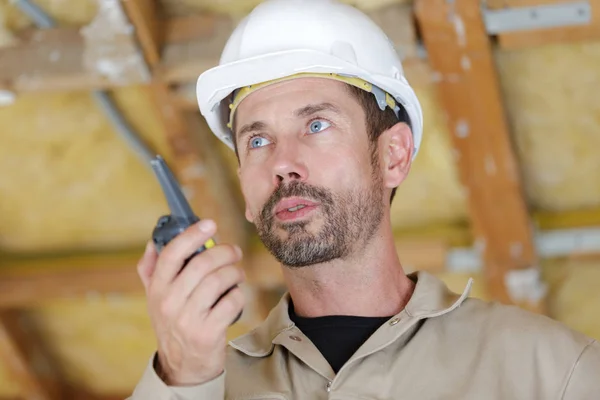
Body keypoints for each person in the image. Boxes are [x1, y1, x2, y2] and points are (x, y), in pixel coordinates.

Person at [128, 0, 600, 398]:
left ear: (392, 155)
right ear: (245, 193)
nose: (282, 162)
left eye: (316, 125)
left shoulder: (550, 371)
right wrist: (183, 379)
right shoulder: (203, 384)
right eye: (257, 140)